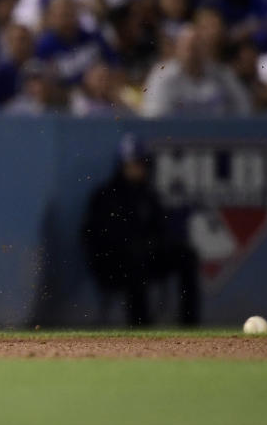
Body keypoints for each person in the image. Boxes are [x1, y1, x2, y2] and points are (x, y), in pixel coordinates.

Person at [81, 134, 200, 326]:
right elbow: (97, 236)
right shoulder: (105, 195)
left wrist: (154, 244)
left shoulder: (148, 195)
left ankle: (190, 324)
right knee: (134, 258)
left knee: (186, 255)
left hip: (146, 256)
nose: (137, 168)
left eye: (140, 163)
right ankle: (139, 324)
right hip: (114, 263)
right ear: (121, 165)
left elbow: (161, 230)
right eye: (132, 164)